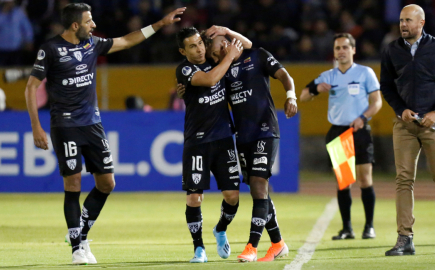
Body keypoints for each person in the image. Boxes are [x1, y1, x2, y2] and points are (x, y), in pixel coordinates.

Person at [24, 3, 186, 265]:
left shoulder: (92, 45)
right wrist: (36, 127)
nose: (94, 25)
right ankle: (77, 247)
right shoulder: (50, 49)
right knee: (73, 183)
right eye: (89, 21)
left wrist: (159, 24)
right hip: (65, 125)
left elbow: (125, 41)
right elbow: (31, 88)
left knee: (107, 183)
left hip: (92, 124)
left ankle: (81, 233)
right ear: (75, 25)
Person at [198, 25, 297, 263]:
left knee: (258, 185)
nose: (212, 58)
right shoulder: (221, 69)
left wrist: (291, 95)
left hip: (265, 131)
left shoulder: (257, 55)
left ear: (223, 44)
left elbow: (284, 75)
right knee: (256, 190)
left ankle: (252, 246)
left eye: (213, 52)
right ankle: (278, 243)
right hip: (243, 137)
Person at [380, 4, 435, 256]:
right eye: (400, 20)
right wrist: (399, 109)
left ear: (421, 22)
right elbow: (387, 86)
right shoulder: (391, 50)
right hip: (405, 124)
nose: (403, 24)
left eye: (408, 20)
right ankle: (404, 238)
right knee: (403, 180)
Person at [175, 26, 248, 263]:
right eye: (192, 46)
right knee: (194, 198)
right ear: (183, 51)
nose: (199, 49)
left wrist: (227, 31)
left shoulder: (216, 60)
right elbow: (210, 79)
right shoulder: (185, 69)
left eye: (200, 43)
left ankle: (220, 229)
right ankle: (199, 249)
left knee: (232, 196)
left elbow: (247, 45)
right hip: (197, 142)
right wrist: (229, 57)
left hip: (224, 139)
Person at [300, 33, 382, 241]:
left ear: (354, 50)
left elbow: (377, 102)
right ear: (334, 52)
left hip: (359, 130)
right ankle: (347, 229)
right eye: (338, 48)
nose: (341, 51)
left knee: (365, 179)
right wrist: (317, 89)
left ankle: (369, 226)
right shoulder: (329, 76)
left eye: (345, 47)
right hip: (338, 131)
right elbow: (303, 95)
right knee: (343, 182)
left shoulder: (365, 73)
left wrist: (363, 117)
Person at [0, 0, 34, 66]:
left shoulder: (19, 13)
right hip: (2, 49)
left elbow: (27, 28)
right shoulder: (1, 14)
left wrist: (29, 40)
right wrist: (4, 13)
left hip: (16, 48)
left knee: (15, 69)